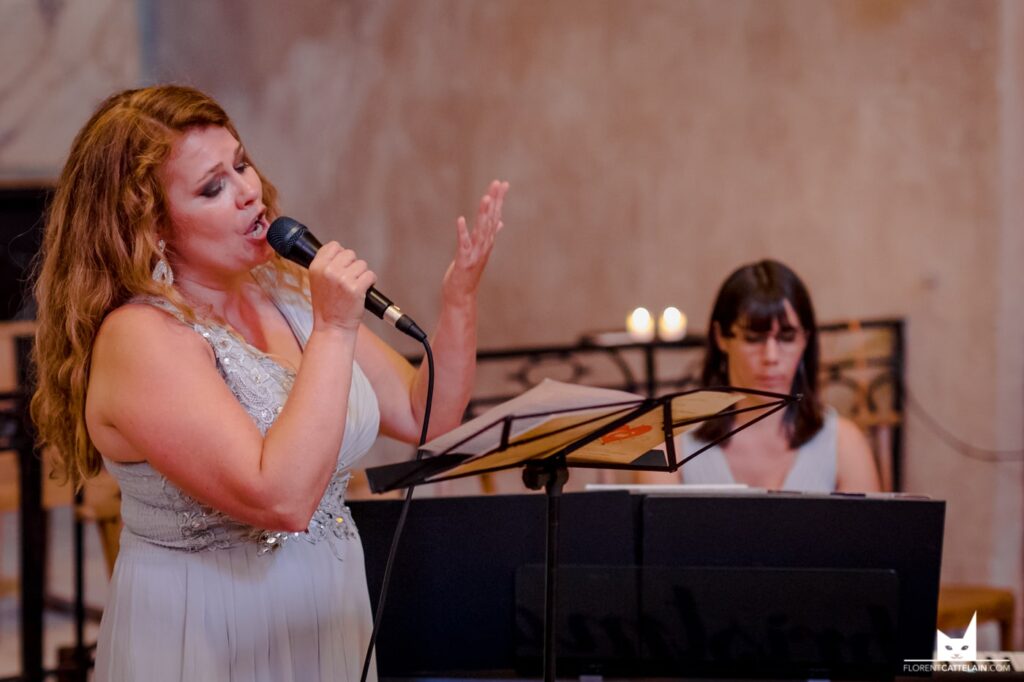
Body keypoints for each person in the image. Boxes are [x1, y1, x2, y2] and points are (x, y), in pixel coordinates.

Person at [30, 84, 509, 681]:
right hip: (210, 629)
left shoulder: (287, 291)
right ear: (152, 228)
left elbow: (425, 416)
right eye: (213, 187)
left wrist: (459, 300)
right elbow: (280, 500)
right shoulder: (141, 338)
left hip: (327, 612)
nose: (248, 191)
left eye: (241, 164)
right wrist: (334, 327)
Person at [639, 260, 880, 492]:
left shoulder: (844, 445)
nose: (771, 356)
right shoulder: (667, 445)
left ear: (805, 339)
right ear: (721, 337)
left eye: (787, 337)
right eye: (753, 338)